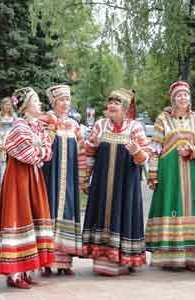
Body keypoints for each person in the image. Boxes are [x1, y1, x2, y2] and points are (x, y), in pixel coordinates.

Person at [81, 88, 151, 276]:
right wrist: (85, 178)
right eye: (110, 102)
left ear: (126, 109)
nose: (111, 106)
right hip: (101, 185)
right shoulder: (100, 125)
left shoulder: (135, 128)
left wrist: (137, 151)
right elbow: (89, 153)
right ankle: (102, 257)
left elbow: (145, 158)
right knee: (102, 215)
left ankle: (124, 259)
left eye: (116, 103)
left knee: (124, 215)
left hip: (126, 186)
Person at [0, 87, 55, 289]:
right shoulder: (19, 127)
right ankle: (14, 274)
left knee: (33, 218)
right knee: (19, 217)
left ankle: (26, 270)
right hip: (19, 178)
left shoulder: (36, 128)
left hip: (33, 178)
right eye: (36, 102)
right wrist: (41, 151)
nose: (40, 105)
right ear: (26, 106)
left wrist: (41, 150)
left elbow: (47, 153)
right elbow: (28, 154)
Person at [146, 81, 195, 272]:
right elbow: (155, 149)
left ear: (189, 98)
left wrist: (193, 149)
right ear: (173, 99)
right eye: (179, 95)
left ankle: (191, 258)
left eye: (186, 95)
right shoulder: (163, 119)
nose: (183, 98)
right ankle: (168, 257)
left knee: (192, 207)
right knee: (170, 206)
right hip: (169, 172)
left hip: (190, 171)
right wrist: (153, 174)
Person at [41, 85, 83, 276]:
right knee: (49, 212)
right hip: (50, 178)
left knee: (68, 213)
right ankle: (47, 262)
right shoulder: (46, 121)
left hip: (70, 181)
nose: (65, 104)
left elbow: (82, 152)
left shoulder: (74, 125)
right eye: (61, 100)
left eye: (68, 99)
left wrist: (83, 178)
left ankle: (65, 263)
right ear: (53, 102)